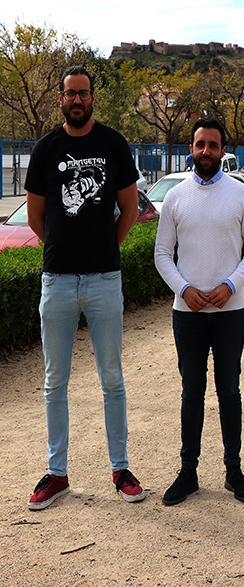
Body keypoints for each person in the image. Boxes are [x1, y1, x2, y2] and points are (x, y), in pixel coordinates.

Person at [24, 65, 145, 510]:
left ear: (93, 97)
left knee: (111, 379)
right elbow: (36, 217)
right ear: (61, 98)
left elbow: (129, 207)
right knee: (55, 382)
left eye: (84, 94)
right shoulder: (45, 149)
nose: (78, 100)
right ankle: (57, 475)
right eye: (71, 94)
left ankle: (120, 468)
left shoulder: (113, 144)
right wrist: (64, 249)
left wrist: (104, 252)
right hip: (56, 280)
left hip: (104, 280)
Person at [154, 118, 244, 506]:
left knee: (229, 391)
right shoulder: (176, 197)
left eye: (213, 145)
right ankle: (188, 472)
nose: (205, 152)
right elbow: (162, 254)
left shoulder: (241, 194)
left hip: (231, 312)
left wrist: (229, 286)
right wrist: (184, 289)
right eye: (200, 145)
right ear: (191, 149)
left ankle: (233, 471)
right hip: (187, 313)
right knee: (191, 394)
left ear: (222, 150)